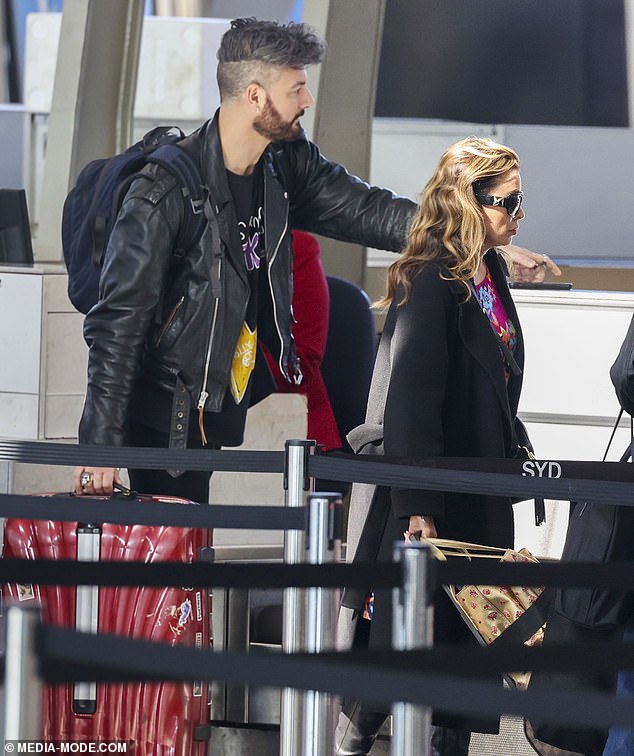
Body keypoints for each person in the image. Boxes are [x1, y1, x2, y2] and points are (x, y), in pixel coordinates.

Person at [72, 16, 555, 501]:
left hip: (209, 408)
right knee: (158, 562)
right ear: (255, 95)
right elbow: (118, 325)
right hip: (160, 411)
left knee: (187, 556)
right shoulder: (163, 192)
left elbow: (369, 210)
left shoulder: (284, 165)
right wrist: (99, 447)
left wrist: (473, 235)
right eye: (296, 88)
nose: (307, 101)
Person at [335, 136, 529, 755]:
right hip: (433, 496)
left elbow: (495, 378)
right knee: (406, 653)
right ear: (470, 201)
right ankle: (347, 739)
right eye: (508, 202)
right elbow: (412, 398)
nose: (517, 215)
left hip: (478, 485)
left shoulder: (487, 272)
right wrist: (419, 505)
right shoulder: (432, 275)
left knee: (458, 664)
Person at [261, 230, 342, 451]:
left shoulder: (295, 249)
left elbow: (299, 363)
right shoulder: (181, 247)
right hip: (192, 431)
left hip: (291, 438)